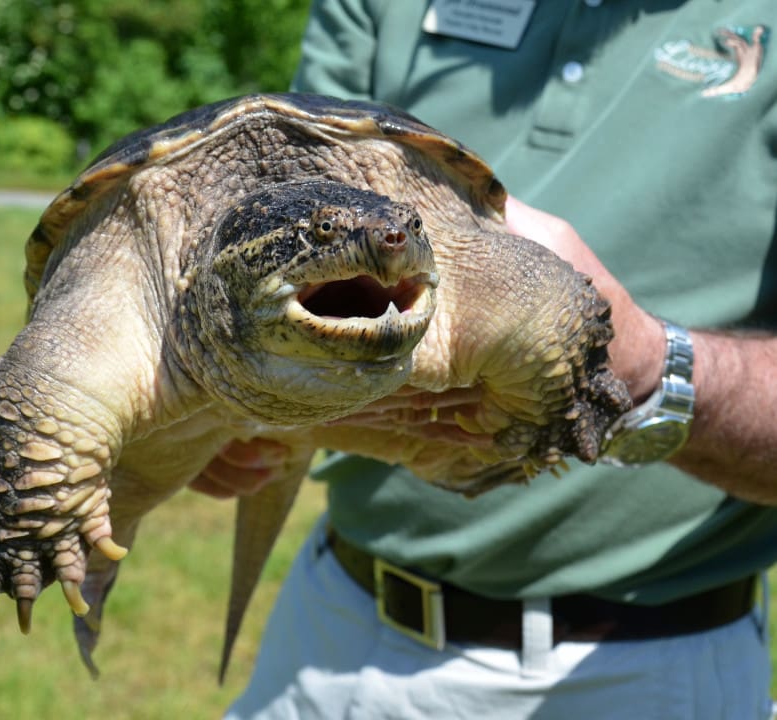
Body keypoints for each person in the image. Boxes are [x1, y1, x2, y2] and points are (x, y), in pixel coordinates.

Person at [194, 2, 777, 717]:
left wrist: (650, 370)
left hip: (639, 671)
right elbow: (269, 199)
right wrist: (213, 396)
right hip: (337, 631)